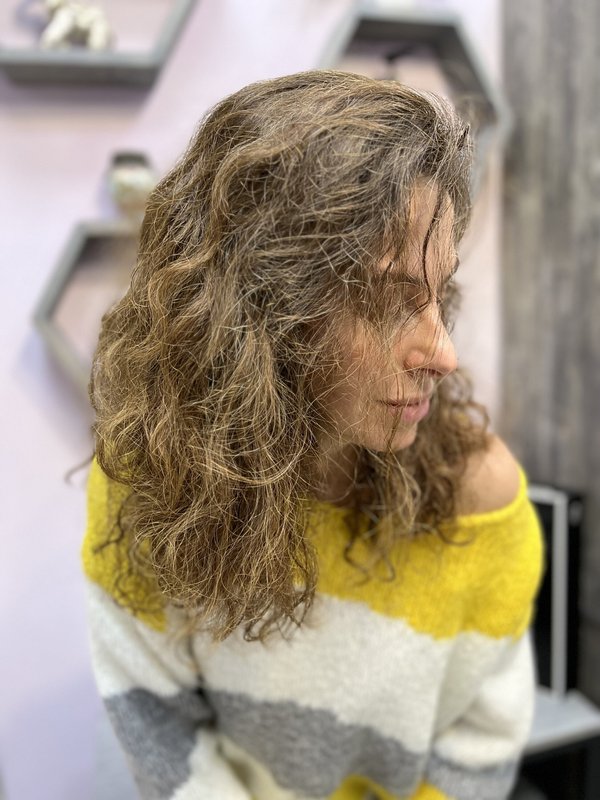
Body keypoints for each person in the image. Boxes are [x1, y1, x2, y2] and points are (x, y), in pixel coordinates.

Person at [82, 70, 544, 800]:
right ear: (261, 313)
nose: (444, 354)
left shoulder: (477, 503)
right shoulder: (148, 483)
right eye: (388, 301)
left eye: (438, 294)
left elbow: (478, 752)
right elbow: (159, 725)